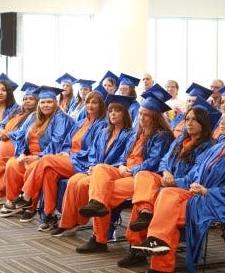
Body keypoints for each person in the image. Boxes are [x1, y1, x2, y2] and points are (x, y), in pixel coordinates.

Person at [132, 97, 225, 273]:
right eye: (221, 119)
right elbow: (194, 176)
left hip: (218, 201)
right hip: (196, 193)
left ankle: (162, 267)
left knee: (165, 211)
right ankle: (159, 258)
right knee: (164, 196)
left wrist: (207, 191)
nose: (221, 123)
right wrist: (177, 183)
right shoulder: (217, 149)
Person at [117, 98, 219, 268]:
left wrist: (173, 181)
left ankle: (141, 250)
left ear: (205, 123)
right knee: (143, 178)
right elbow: (164, 160)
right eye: (187, 119)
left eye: (195, 120)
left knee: (154, 199)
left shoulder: (208, 147)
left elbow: (195, 177)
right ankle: (142, 226)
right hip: (168, 181)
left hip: (186, 190)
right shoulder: (180, 141)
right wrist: (166, 172)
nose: (190, 123)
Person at [73, 84, 174, 254]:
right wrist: (120, 166)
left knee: (105, 192)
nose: (142, 118)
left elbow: (154, 162)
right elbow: (125, 157)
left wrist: (131, 170)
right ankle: (95, 205)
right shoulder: (137, 133)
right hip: (126, 171)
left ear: (156, 117)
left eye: (147, 115)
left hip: (142, 176)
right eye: (141, 113)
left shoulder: (161, 136)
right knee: (100, 169)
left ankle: (99, 239)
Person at [5, 87, 108, 226]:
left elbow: (94, 150)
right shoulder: (80, 123)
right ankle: (49, 214)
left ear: (101, 105)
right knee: (48, 172)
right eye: (88, 102)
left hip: (82, 163)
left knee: (46, 159)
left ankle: (27, 195)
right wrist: (65, 152)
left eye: (94, 103)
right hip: (69, 159)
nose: (90, 106)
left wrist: (70, 154)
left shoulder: (102, 126)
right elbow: (66, 143)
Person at [54, 94, 135, 237]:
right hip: (95, 169)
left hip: (111, 173)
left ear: (125, 113)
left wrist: (99, 168)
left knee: (82, 184)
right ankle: (67, 223)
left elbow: (124, 159)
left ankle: (79, 220)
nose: (113, 114)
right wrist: (92, 165)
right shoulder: (104, 132)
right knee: (73, 181)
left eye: (117, 111)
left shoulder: (130, 135)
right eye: (110, 111)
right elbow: (92, 152)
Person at [0, 86, 74, 207]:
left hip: (47, 156)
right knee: (13, 164)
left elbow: (56, 143)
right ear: (39, 104)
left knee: (33, 167)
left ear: (56, 103)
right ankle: (11, 201)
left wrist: (37, 157)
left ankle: (29, 205)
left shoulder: (62, 119)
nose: (46, 105)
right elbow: (21, 135)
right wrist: (21, 153)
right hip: (30, 155)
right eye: (43, 102)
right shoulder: (33, 117)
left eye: (49, 102)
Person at [0, 87, 38, 199]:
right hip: (3, 146)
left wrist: (8, 134)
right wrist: (1, 131)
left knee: (2, 161)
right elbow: (1, 123)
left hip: (19, 151)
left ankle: (13, 198)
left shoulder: (35, 116)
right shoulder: (17, 111)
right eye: (25, 98)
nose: (27, 101)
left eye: (31, 98)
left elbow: (23, 134)